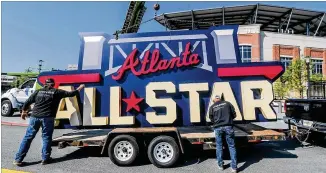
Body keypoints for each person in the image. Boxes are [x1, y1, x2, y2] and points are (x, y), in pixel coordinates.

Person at [13, 78, 85, 166]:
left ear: (44, 84)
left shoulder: (38, 91)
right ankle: (45, 159)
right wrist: (80, 87)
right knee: (46, 137)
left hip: (35, 117)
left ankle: (18, 159)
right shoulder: (57, 92)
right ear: (53, 84)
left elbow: (28, 101)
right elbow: (71, 94)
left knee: (28, 137)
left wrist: (24, 111)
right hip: (48, 118)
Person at [209, 95, 237, 173]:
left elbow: (211, 119)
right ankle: (234, 168)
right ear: (220, 99)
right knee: (231, 146)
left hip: (218, 128)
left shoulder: (212, 107)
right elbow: (234, 114)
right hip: (228, 126)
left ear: (214, 100)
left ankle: (220, 165)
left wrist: (216, 123)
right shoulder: (227, 103)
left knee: (219, 146)